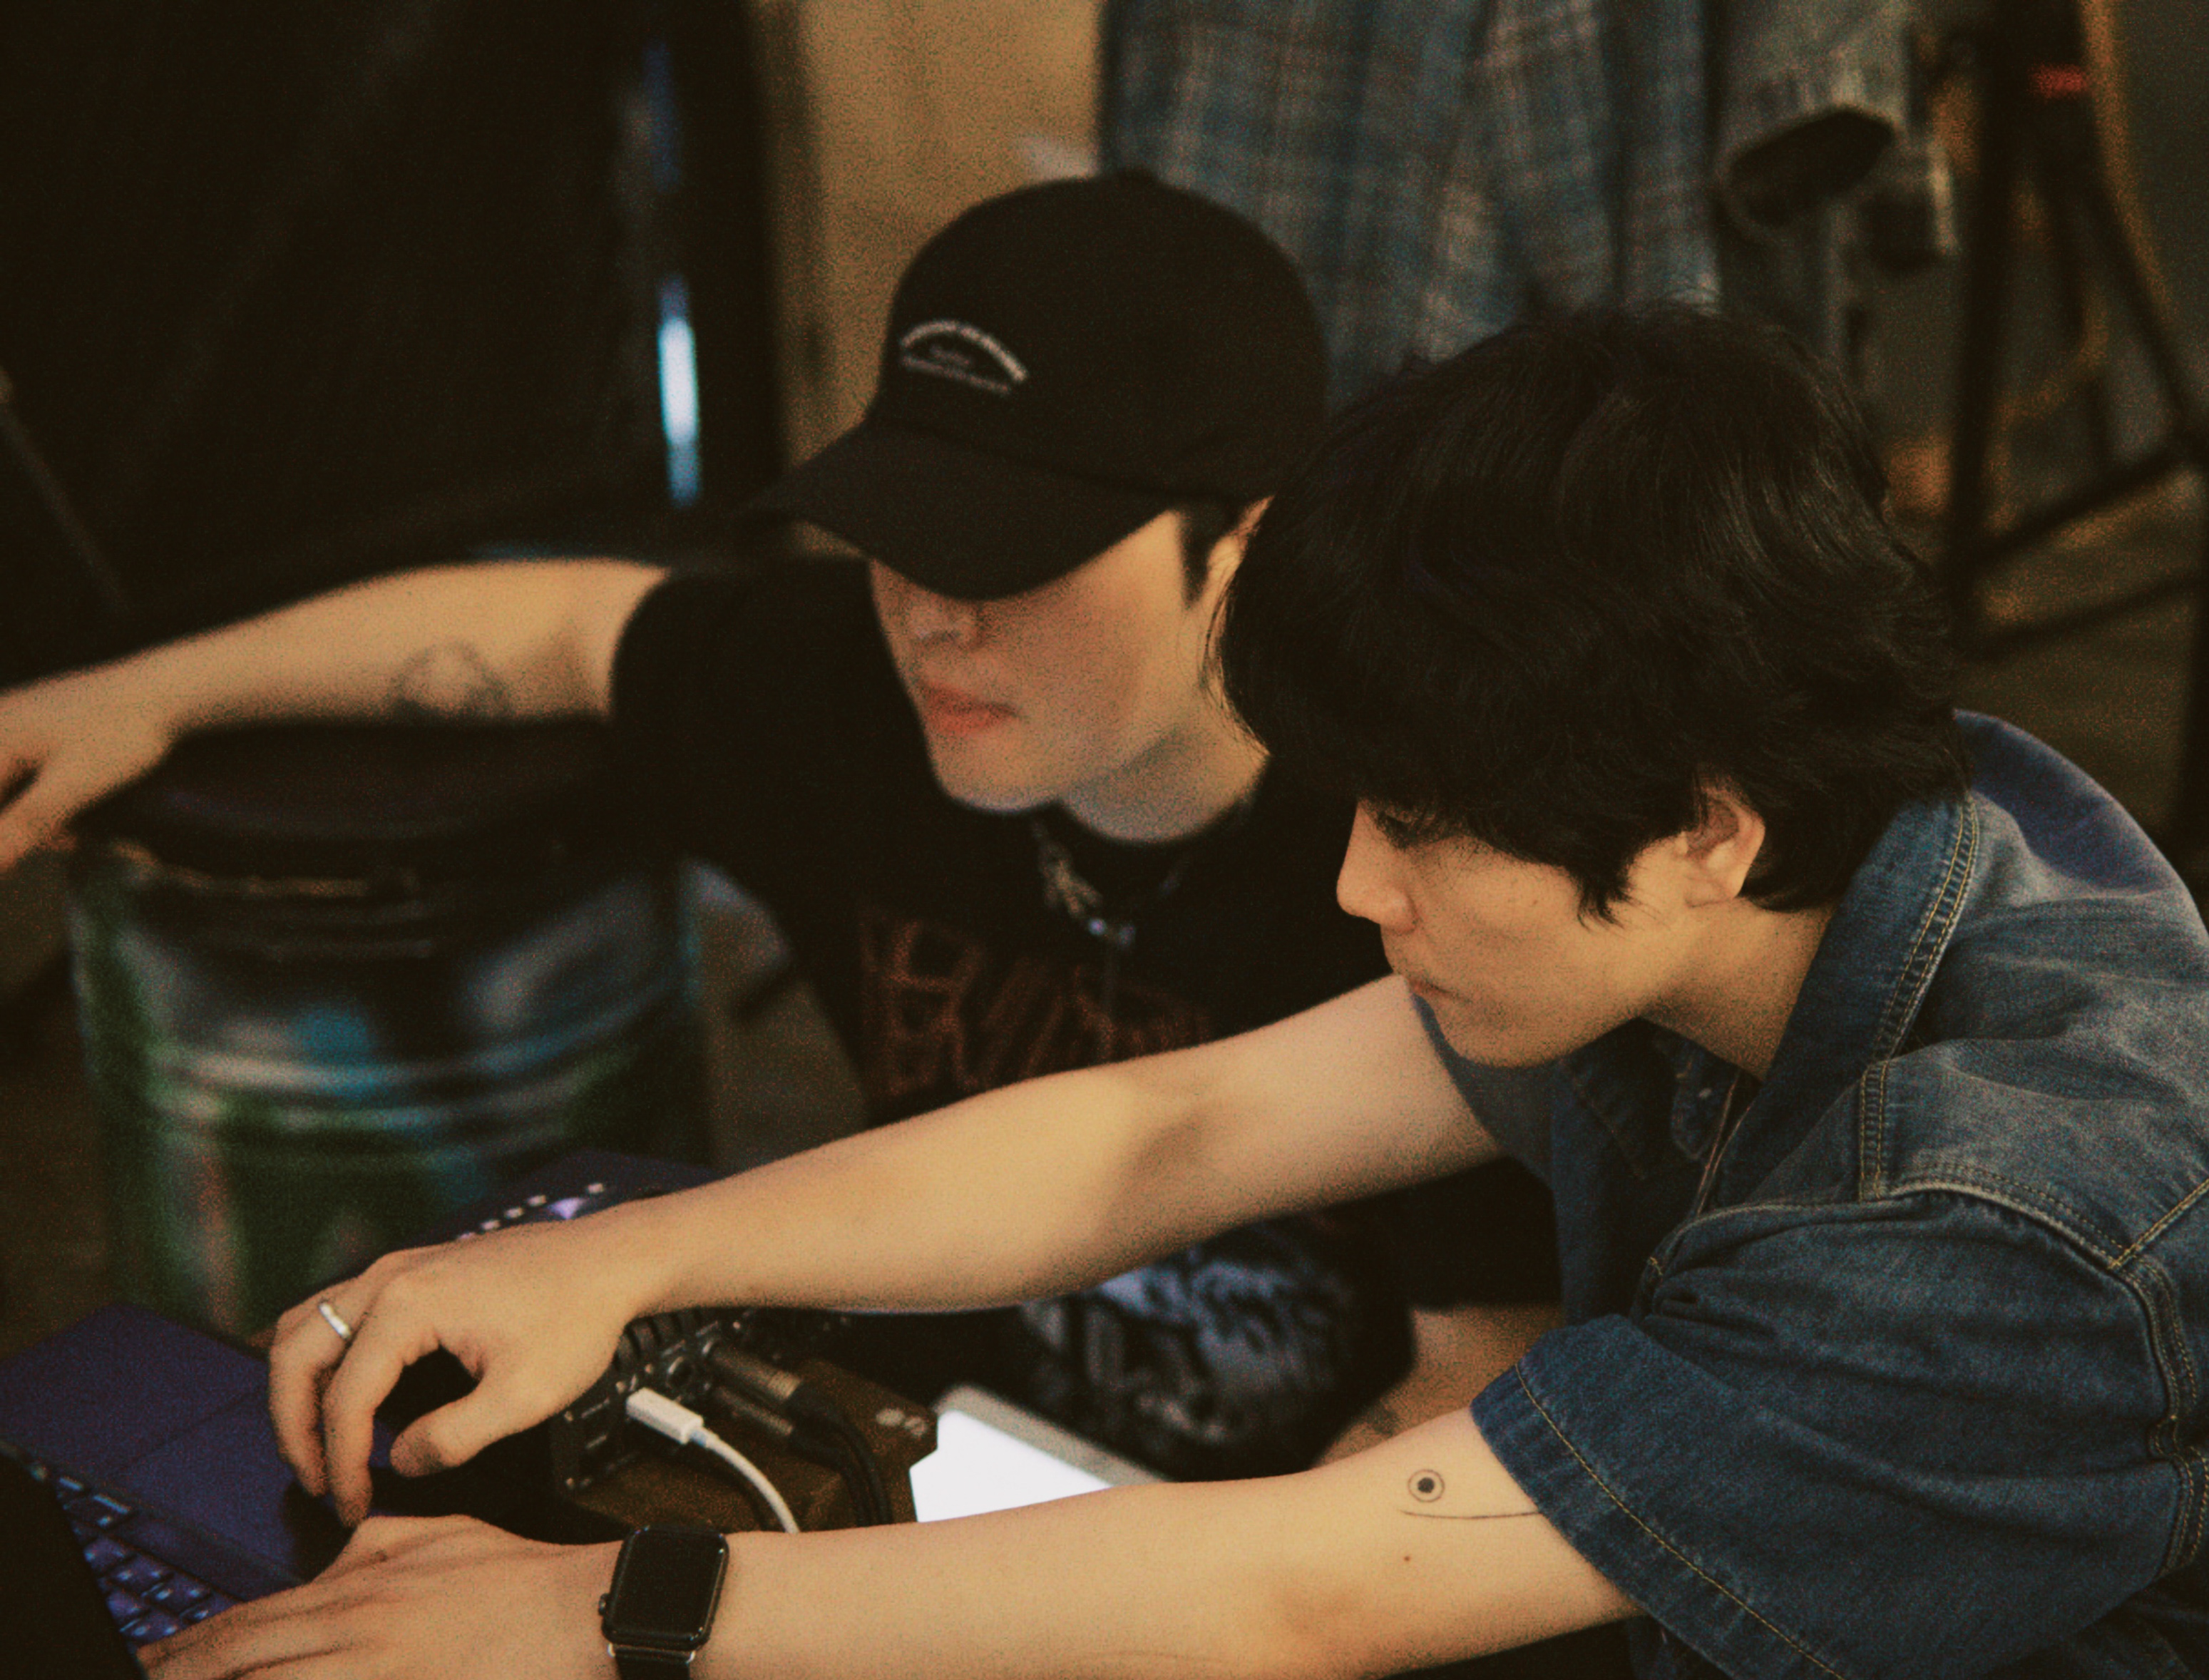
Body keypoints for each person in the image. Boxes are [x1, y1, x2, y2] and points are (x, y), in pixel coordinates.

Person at [139, 307, 2209, 1680]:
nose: (1359, 887)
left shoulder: (2015, 1212)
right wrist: (621, 1261)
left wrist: (613, 1613)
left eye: (1426, 830)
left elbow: (1312, 1594)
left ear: (1698, 833)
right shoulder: (1802, 857)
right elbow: (1176, 1127)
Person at [0, 173, 1561, 1492]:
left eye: (1007, 552)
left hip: (1297, 1546)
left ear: (1251, 543)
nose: (932, 615)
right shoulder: (858, 701)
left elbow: (1485, 1367)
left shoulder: (1417, 848)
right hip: (916, 1463)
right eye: (898, 529)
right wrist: (141, 695)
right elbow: (569, 630)